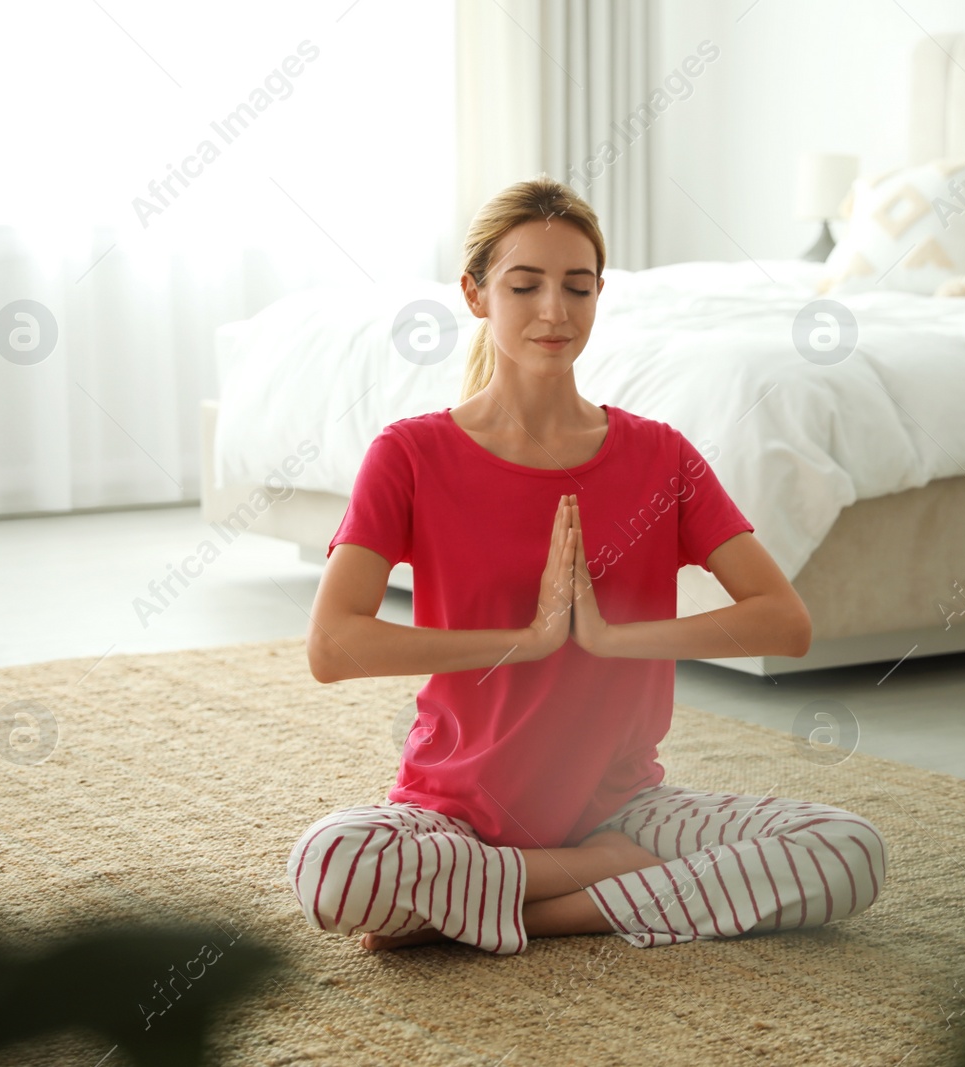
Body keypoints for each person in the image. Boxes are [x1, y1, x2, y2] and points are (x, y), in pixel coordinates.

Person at [285, 176, 887, 954]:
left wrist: (610, 636)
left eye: (577, 287)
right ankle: (598, 877)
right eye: (524, 285)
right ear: (475, 295)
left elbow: (786, 623)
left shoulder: (659, 454)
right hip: (453, 817)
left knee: (846, 850)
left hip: (625, 812)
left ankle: (523, 910)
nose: (553, 312)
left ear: (600, 293)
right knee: (334, 865)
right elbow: (332, 646)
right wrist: (527, 638)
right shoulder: (409, 454)